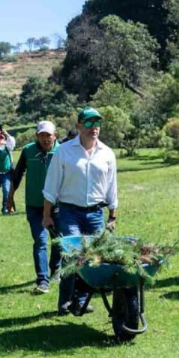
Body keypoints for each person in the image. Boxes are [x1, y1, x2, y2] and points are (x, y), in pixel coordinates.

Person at [42, 108, 118, 315]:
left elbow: (112, 186)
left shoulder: (107, 153)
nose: (94, 127)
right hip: (69, 212)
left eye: (97, 123)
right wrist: (47, 215)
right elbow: (51, 186)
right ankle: (65, 301)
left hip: (95, 213)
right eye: (89, 123)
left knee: (93, 258)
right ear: (79, 126)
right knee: (71, 256)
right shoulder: (64, 151)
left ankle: (81, 300)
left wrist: (112, 215)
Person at [7, 121, 59, 294]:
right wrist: (10, 197)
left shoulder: (62, 151)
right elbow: (18, 174)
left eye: (48, 135)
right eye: (42, 135)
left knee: (58, 241)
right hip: (35, 205)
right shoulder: (28, 150)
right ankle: (42, 280)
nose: (45, 139)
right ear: (37, 136)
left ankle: (56, 270)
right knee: (40, 241)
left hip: (58, 205)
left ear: (55, 135)